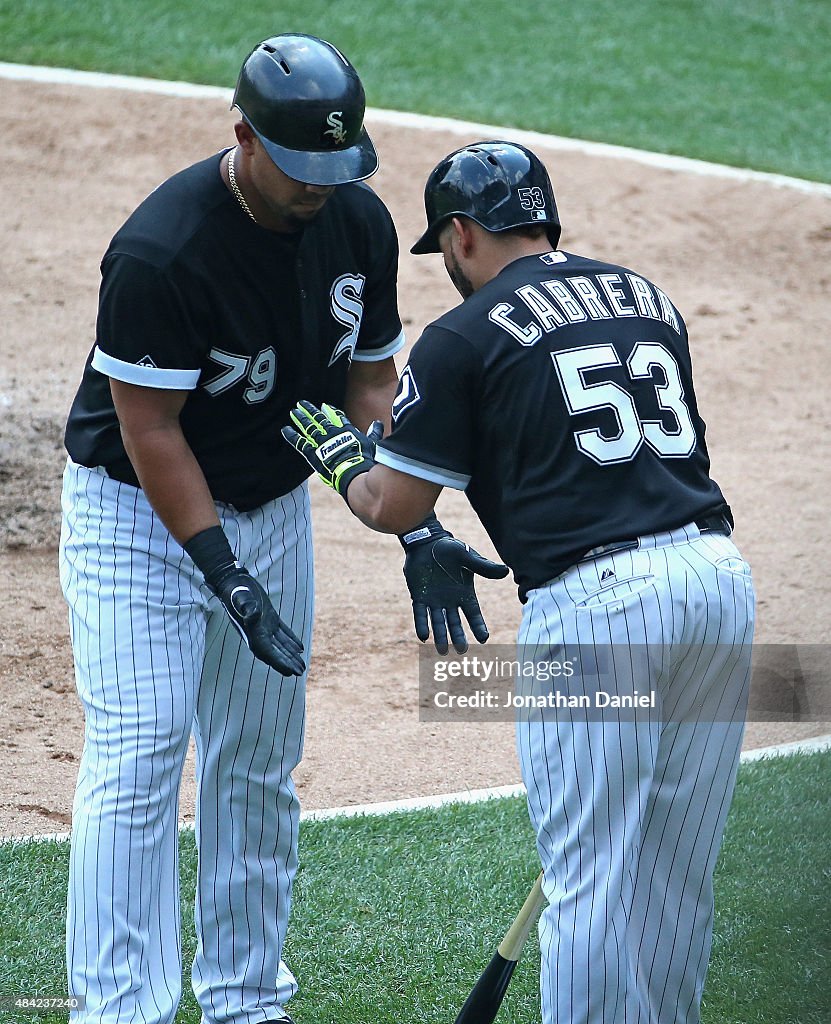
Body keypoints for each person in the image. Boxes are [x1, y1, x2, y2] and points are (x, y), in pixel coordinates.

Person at [58, 32, 496, 1024]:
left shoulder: (358, 224)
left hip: (272, 505)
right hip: (139, 519)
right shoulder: (162, 251)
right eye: (302, 169)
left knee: (256, 761)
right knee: (139, 753)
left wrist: (416, 529)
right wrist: (224, 571)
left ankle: (247, 1001)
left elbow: (371, 386)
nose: (319, 189)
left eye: (337, 168)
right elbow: (150, 429)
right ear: (244, 136)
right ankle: (120, 1009)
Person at [283, 141, 756, 1024]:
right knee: (675, 880)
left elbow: (395, 503)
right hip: (716, 580)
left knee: (586, 883)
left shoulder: (460, 337)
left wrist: (346, 463)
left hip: (599, 614)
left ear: (460, 235)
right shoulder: (647, 296)